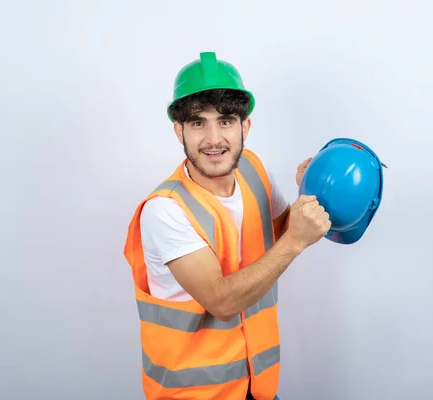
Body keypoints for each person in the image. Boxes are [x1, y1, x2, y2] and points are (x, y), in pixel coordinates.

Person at [123, 51, 331, 400]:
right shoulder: (165, 210)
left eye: (225, 120)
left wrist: (308, 192)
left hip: (256, 385)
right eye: (198, 122)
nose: (214, 138)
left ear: (244, 126)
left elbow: (282, 232)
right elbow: (221, 300)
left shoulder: (251, 169)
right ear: (179, 131)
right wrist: (296, 240)